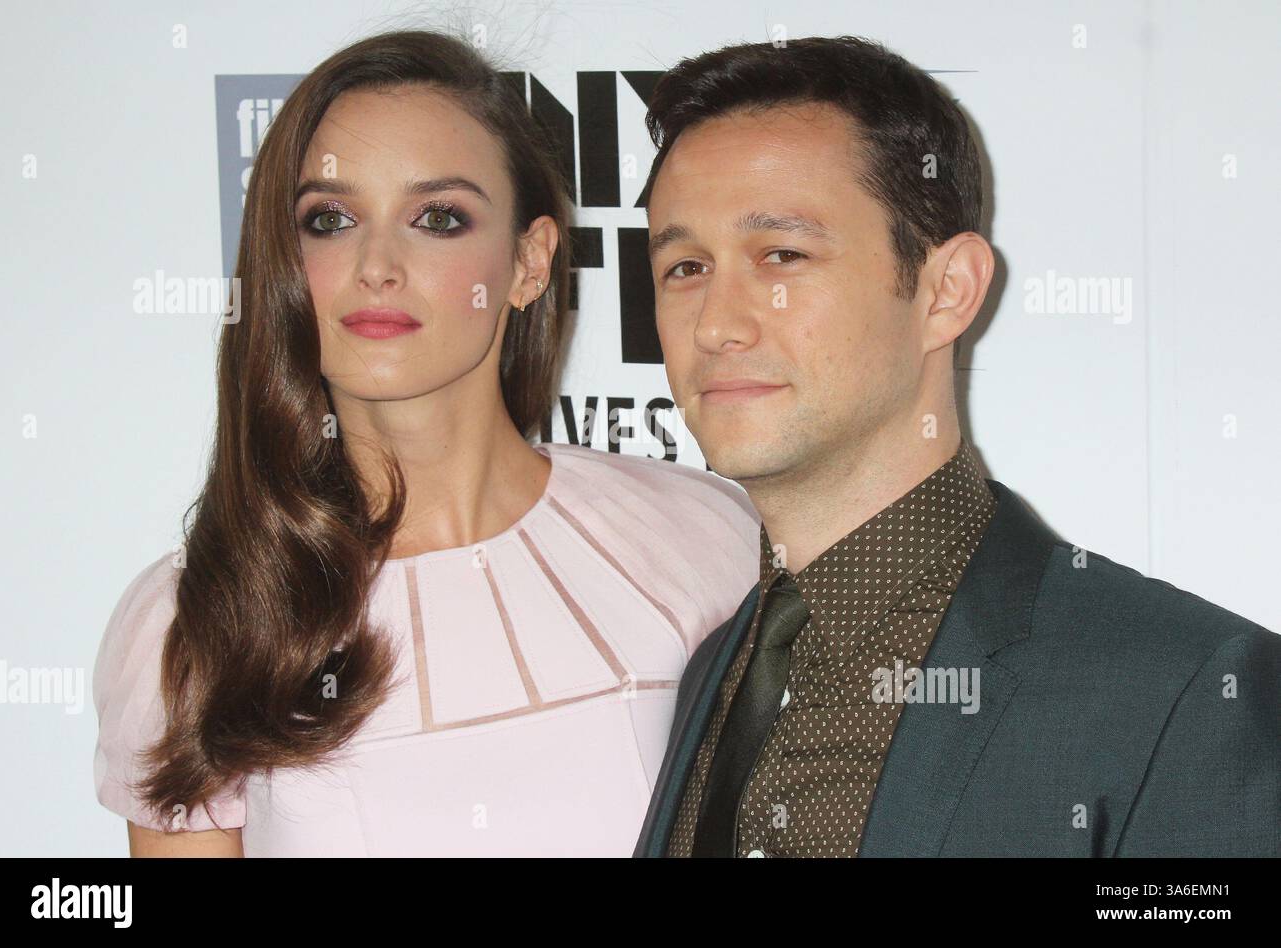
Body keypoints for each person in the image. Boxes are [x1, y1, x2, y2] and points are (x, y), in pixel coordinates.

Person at [92, 29, 758, 857]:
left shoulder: (702, 539)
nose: (377, 264)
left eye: (438, 217)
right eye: (329, 220)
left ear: (528, 262)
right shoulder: (199, 621)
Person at [634, 35, 1281, 857]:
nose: (717, 324)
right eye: (685, 267)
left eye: (783, 256)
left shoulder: (1186, 695)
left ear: (947, 291)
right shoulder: (715, 671)